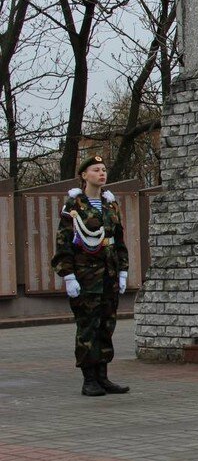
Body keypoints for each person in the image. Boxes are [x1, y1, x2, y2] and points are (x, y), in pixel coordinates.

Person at [51, 155, 130, 397]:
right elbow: (64, 243)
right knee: (88, 327)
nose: (102, 173)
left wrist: (124, 271)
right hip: (86, 277)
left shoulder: (110, 204)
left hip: (109, 275)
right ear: (84, 175)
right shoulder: (74, 205)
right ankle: (89, 379)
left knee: (106, 325)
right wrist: (68, 276)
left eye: (104, 169)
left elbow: (118, 240)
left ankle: (103, 377)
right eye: (96, 170)